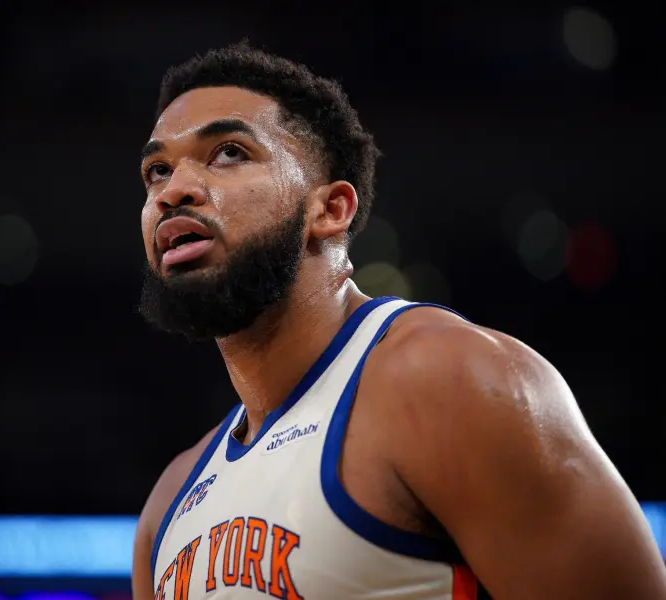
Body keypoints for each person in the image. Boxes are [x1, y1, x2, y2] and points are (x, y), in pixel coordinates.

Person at [131, 42, 666, 600]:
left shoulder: (451, 382)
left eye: (228, 153)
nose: (173, 191)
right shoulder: (168, 508)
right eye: (157, 171)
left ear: (330, 210)